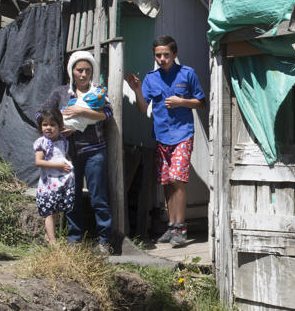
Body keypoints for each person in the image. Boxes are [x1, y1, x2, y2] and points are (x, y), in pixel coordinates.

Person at [125, 36, 205, 246]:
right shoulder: (151, 78)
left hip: (183, 134)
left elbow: (201, 102)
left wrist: (182, 102)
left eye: (166, 55)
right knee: (167, 182)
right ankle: (171, 226)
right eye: (158, 55)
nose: (162, 59)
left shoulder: (187, 73)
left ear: (175, 54)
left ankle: (180, 228)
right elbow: (144, 108)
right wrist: (137, 90)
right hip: (161, 136)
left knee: (177, 179)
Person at [40, 50, 113, 253]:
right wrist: (57, 127)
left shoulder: (98, 93)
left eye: (88, 70)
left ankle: (104, 240)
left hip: (94, 152)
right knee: (72, 197)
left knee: (98, 197)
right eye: (79, 70)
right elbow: (41, 114)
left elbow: (107, 114)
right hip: (68, 154)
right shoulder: (61, 93)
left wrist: (82, 112)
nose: (83, 74)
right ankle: (74, 239)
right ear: (71, 71)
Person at [33, 107, 74, 245]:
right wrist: (59, 166)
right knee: (50, 213)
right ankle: (53, 242)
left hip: (61, 183)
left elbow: (64, 155)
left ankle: (47, 236)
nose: (48, 128)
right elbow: (39, 162)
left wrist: (69, 162)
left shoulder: (62, 141)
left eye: (52, 125)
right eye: (45, 125)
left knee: (56, 211)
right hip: (49, 185)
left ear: (60, 126)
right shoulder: (42, 143)